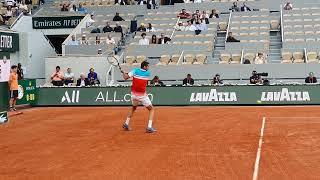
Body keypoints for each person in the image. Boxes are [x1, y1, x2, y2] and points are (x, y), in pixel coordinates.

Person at [122, 61, 156, 133]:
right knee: (152, 109)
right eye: (147, 66)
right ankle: (149, 127)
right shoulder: (147, 73)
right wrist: (127, 73)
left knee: (134, 108)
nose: (148, 68)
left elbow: (125, 77)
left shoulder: (135, 71)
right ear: (144, 67)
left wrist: (124, 73)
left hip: (133, 95)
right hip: (142, 95)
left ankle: (126, 123)